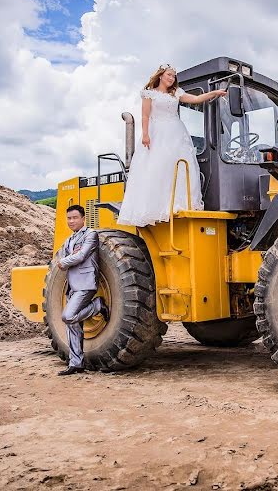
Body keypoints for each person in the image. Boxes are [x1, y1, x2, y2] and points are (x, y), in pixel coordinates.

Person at [115, 63, 227, 226]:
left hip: (176, 132)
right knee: (158, 166)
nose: (171, 78)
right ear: (161, 76)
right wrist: (145, 134)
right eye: (169, 75)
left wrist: (214, 92)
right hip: (158, 132)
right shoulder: (149, 94)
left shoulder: (176, 93)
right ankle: (157, 207)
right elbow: (145, 116)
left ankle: (178, 204)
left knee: (180, 165)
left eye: (174, 76)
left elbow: (195, 99)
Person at [56, 204, 107, 376]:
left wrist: (65, 261)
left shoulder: (91, 234)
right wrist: (69, 258)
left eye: (75, 217)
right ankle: (76, 363)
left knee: (68, 316)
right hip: (72, 286)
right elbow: (66, 257)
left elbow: (81, 255)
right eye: (69, 218)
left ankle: (98, 306)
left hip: (85, 284)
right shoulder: (69, 240)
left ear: (83, 218)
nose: (71, 221)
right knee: (73, 325)